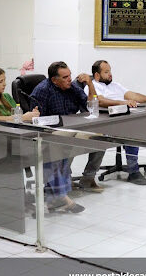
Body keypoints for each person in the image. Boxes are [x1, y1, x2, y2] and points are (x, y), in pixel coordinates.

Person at [30, 61, 100, 212]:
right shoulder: (42, 91)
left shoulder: (71, 87)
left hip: (69, 129)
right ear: (54, 80)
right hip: (48, 133)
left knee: (99, 136)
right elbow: (36, 119)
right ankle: (61, 195)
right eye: (65, 77)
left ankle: (63, 192)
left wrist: (89, 83)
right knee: (59, 146)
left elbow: (90, 105)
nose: (70, 79)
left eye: (70, 75)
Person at [88, 60, 146, 184]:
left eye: (110, 71)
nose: (110, 74)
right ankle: (133, 172)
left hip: (126, 117)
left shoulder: (115, 85)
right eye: (106, 72)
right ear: (97, 75)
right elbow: (100, 101)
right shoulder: (92, 87)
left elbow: (132, 95)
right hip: (109, 123)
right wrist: (123, 102)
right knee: (132, 131)